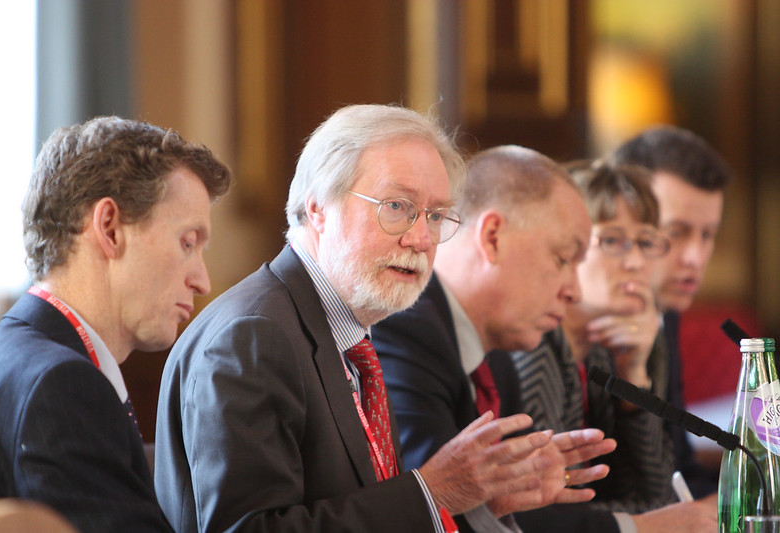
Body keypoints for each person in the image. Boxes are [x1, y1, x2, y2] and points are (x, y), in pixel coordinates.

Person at [153, 104, 615, 533]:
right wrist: (431, 494)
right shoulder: (253, 336)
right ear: (318, 209)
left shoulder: (351, 337)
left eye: (435, 216)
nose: (421, 239)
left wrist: (479, 504)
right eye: (397, 207)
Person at [373, 147, 717, 532]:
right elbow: (434, 509)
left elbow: (504, 507)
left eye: (646, 243)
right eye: (563, 259)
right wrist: (645, 527)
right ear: (492, 237)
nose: (573, 290)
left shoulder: (496, 350)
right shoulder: (410, 331)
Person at [0, 116, 232, 532]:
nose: (202, 281)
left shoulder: (0, 351)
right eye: (187, 242)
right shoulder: (61, 386)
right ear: (110, 228)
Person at [507, 161, 676, 513]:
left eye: (646, 242)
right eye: (612, 240)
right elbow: (544, 513)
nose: (635, 262)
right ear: (570, 247)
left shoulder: (630, 341)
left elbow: (655, 493)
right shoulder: (532, 343)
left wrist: (633, 376)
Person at [610, 125, 731, 497]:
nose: (695, 257)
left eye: (707, 235)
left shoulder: (665, 311)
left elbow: (680, 468)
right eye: (677, 232)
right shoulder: (581, 323)